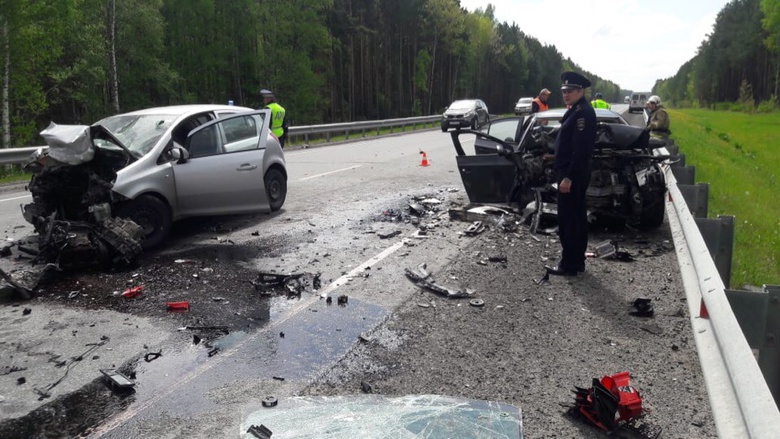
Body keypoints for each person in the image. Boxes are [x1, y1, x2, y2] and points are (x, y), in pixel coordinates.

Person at [544, 71, 597, 276]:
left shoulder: (582, 113)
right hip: (570, 172)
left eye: (570, 90)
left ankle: (570, 264)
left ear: (580, 91)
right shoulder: (576, 109)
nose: (565, 94)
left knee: (570, 220)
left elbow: (580, 150)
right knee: (575, 217)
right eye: (563, 90)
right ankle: (576, 261)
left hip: (572, 175)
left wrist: (568, 177)